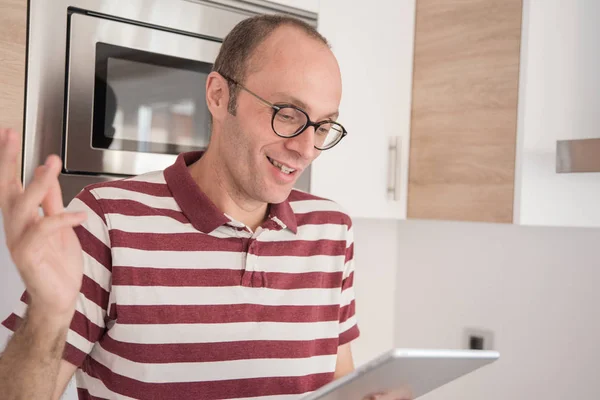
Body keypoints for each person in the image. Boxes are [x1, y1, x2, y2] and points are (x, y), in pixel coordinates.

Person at [0, 15, 411, 400]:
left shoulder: (331, 230)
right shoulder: (105, 219)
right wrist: (50, 314)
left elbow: (338, 382)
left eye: (323, 126)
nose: (306, 149)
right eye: (288, 115)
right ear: (219, 95)